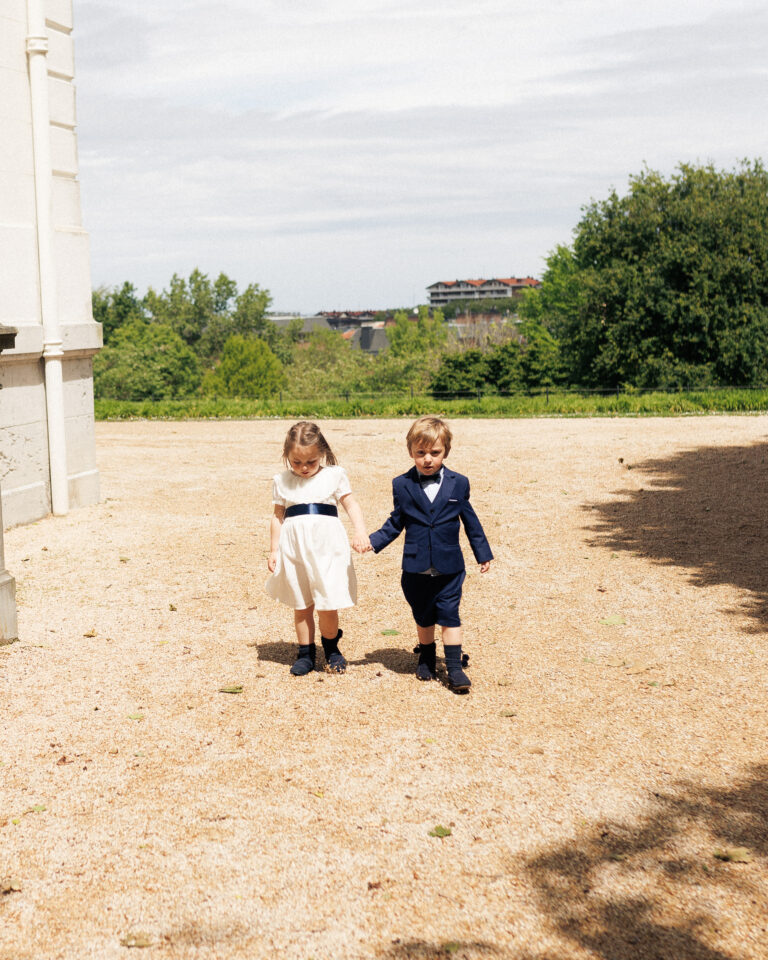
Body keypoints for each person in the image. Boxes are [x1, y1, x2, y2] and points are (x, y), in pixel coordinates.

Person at [369, 416, 492, 691]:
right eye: (420, 453)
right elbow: (395, 522)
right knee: (423, 615)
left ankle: (455, 669)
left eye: (434, 453)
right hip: (415, 567)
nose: (427, 459)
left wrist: (482, 553)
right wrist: (372, 541)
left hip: (450, 567)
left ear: (445, 452)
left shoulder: (459, 483)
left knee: (449, 614)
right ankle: (425, 655)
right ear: (411, 452)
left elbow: (471, 521)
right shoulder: (401, 484)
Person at [266, 421, 369, 675]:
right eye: (296, 462)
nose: (303, 468)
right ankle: (305, 652)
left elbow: (351, 505)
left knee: (327, 602)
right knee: (301, 603)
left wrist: (360, 530)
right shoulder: (282, 481)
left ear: (321, 453)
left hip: (327, 548)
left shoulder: (334, 475)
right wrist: (273, 549)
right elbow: (277, 517)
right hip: (294, 549)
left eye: (310, 462)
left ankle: (332, 647)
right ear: (287, 456)